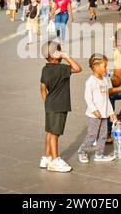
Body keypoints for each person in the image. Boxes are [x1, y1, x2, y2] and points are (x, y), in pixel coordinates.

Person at [40, 41, 82, 172]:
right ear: (56, 54)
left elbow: (42, 87)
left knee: (49, 131)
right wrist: (66, 56)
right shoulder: (62, 69)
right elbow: (78, 68)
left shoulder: (45, 69)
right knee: (55, 134)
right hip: (59, 105)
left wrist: (46, 102)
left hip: (50, 104)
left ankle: (46, 158)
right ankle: (55, 160)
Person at [78, 54, 117, 163]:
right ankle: (82, 151)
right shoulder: (91, 81)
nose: (106, 69)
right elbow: (88, 97)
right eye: (104, 66)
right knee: (92, 134)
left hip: (104, 115)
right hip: (94, 115)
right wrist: (94, 110)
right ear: (96, 67)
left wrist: (111, 113)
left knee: (103, 135)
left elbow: (106, 98)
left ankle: (99, 154)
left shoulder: (105, 80)